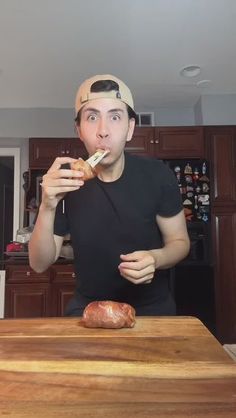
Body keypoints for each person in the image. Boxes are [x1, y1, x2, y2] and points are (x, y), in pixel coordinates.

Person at [29, 74, 190, 316]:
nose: (103, 131)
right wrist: (47, 206)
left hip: (152, 309)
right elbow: (39, 263)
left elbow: (180, 243)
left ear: (130, 129)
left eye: (115, 117)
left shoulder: (158, 175)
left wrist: (156, 258)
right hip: (88, 309)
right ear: (79, 130)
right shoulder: (66, 180)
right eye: (92, 117)